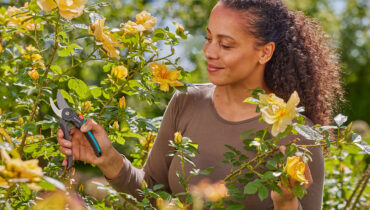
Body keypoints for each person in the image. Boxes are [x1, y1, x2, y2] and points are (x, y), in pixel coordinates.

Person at [57, 0, 342, 209]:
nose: (209, 52)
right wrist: (107, 158)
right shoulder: (186, 101)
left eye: (225, 45)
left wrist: (286, 202)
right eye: (208, 38)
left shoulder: (299, 137)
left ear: (265, 52)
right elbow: (152, 191)